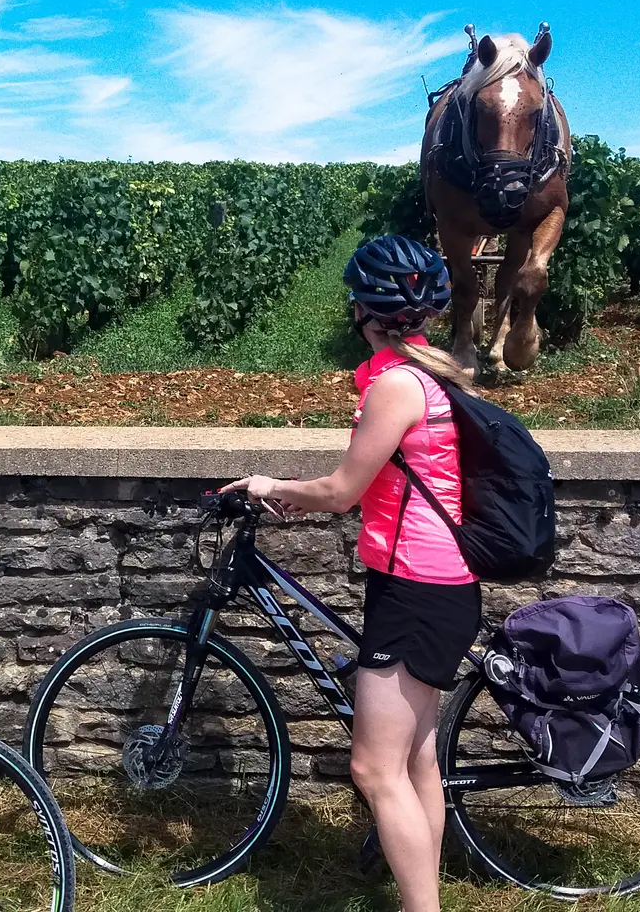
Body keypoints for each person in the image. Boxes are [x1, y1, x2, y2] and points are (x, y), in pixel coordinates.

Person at [221, 233, 479, 912]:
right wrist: (301, 497)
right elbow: (380, 487)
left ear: (363, 311)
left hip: (416, 590)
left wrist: (268, 484)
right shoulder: (438, 373)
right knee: (416, 759)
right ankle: (417, 900)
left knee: (373, 766)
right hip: (441, 584)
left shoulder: (396, 383)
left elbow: (341, 490)